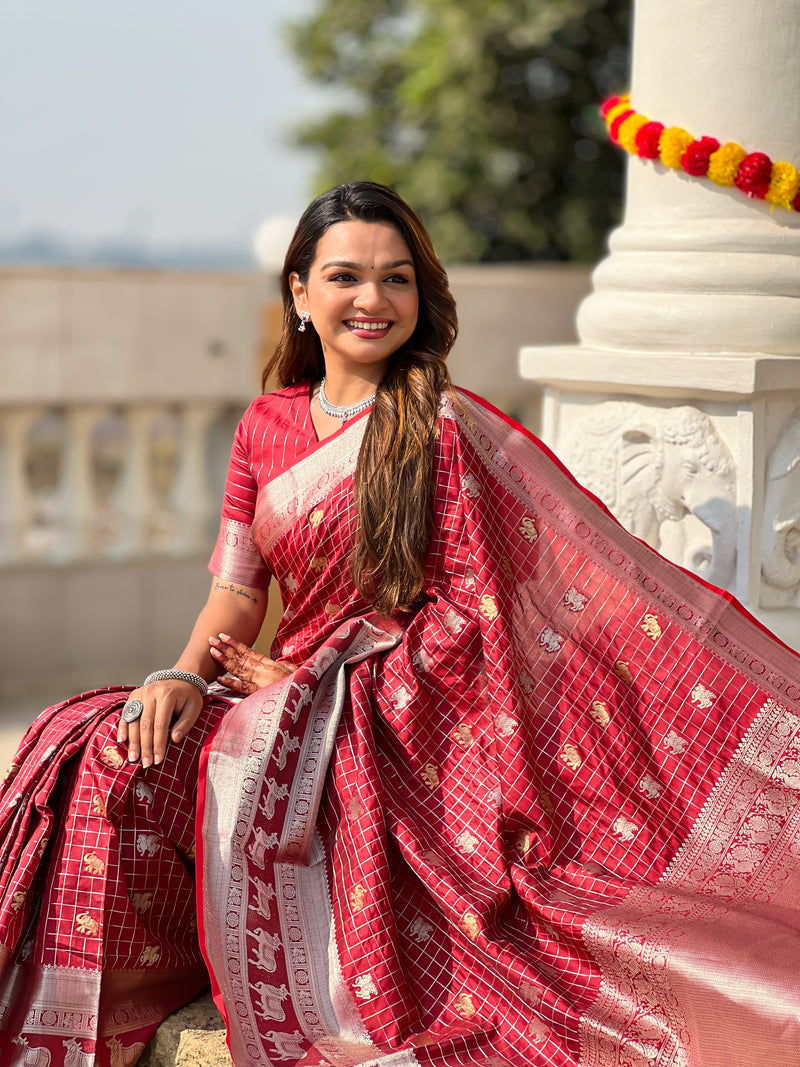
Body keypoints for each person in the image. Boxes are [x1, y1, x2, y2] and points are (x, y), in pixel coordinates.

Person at [2, 181, 800, 1067]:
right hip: (273, 712)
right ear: (300, 294)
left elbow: (472, 623)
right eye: (346, 276)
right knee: (91, 742)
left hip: (382, 734)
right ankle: (74, 1036)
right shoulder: (264, 426)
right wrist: (180, 677)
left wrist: (316, 690)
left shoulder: (440, 429)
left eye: (397, 279)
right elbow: (238, 595)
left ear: (421, 297)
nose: (373, 300)